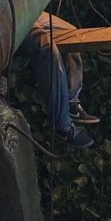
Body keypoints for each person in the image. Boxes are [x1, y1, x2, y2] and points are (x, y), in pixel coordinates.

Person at [20, 11, 100, 150]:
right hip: (10, 12)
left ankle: (70, 102)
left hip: (29, 9)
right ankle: (61, 125)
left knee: (72, 32)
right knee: (47, 48)